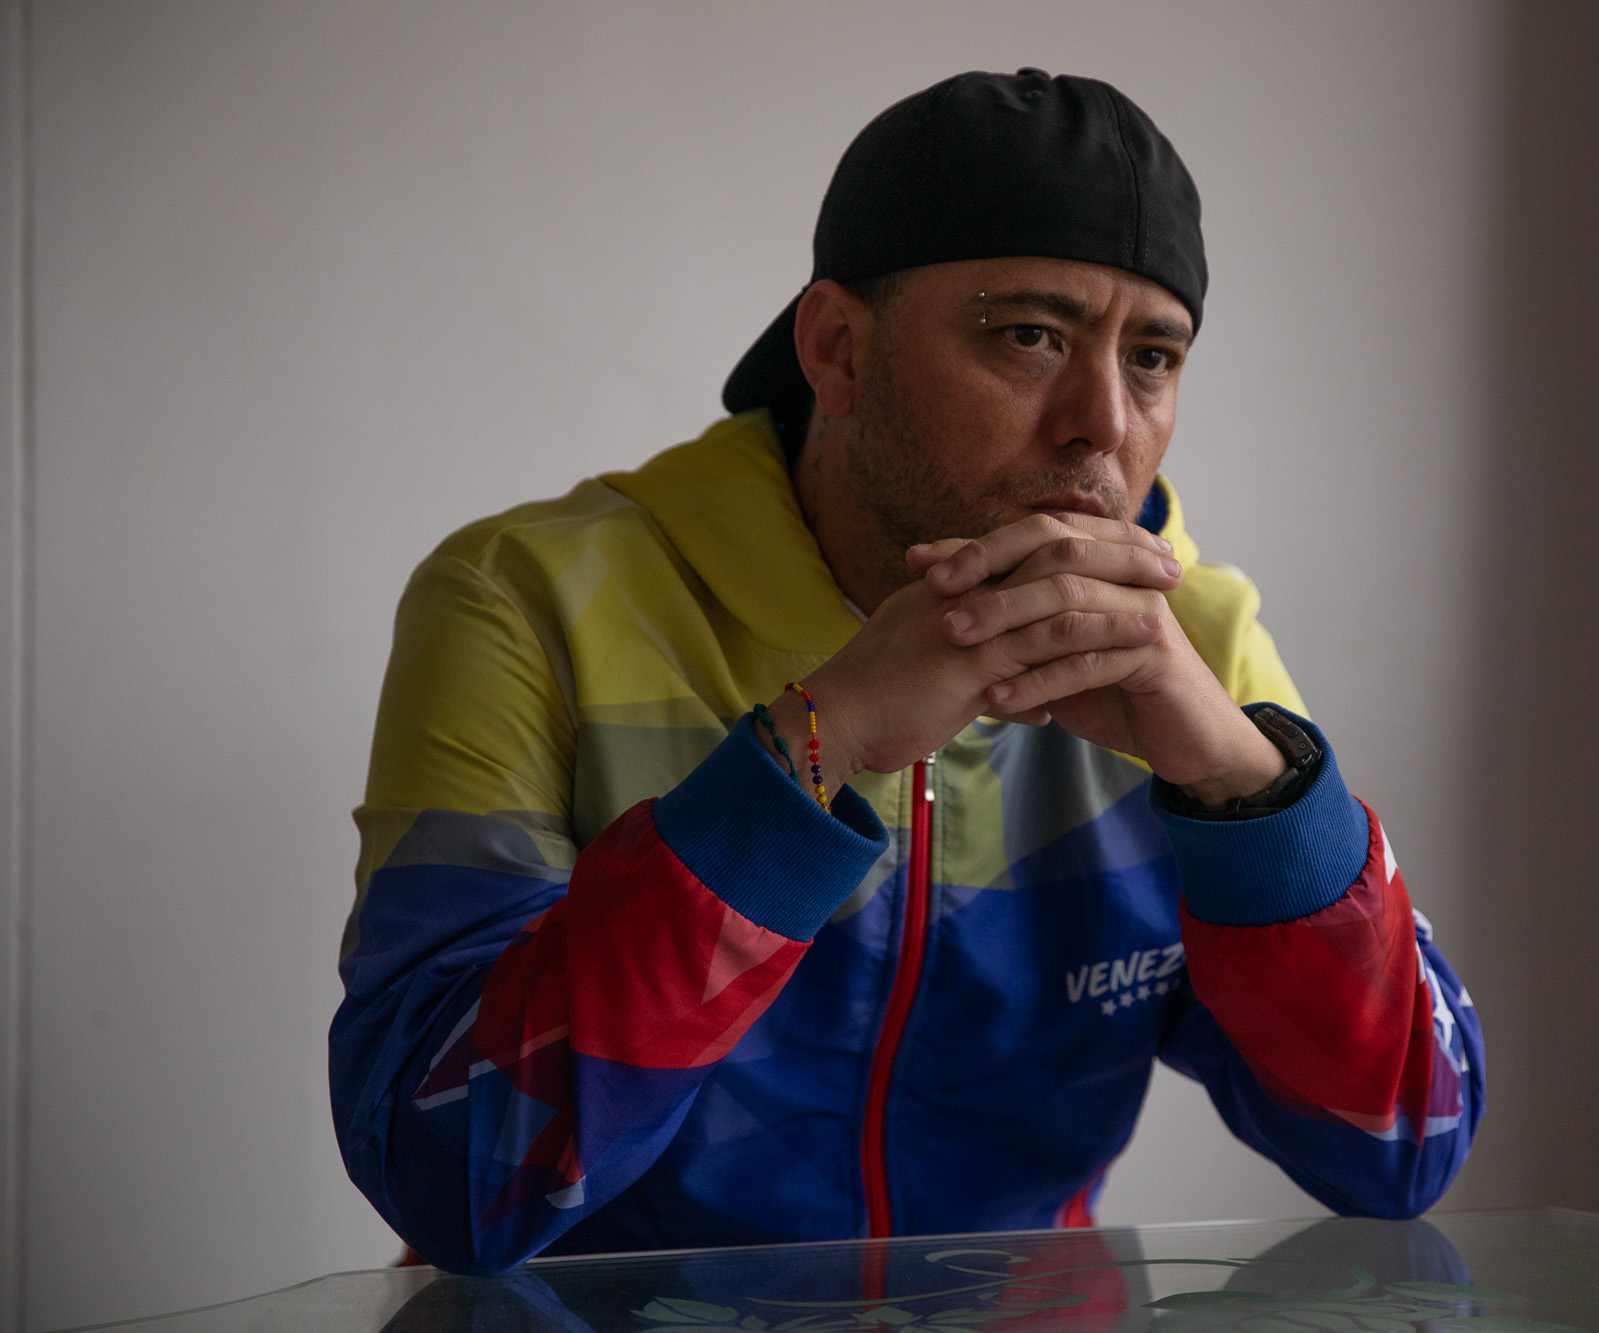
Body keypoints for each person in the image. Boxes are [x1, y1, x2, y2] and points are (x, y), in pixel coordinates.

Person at [331, 67, 1484, 1277]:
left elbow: (1403, 1145)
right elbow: (448, 1166)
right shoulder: (525, 599)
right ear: (834, 347)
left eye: (1150, 359)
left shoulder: (1194, 640)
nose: (1100, 422)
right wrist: (816, 748)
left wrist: (1243, 793)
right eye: (1027, 336)